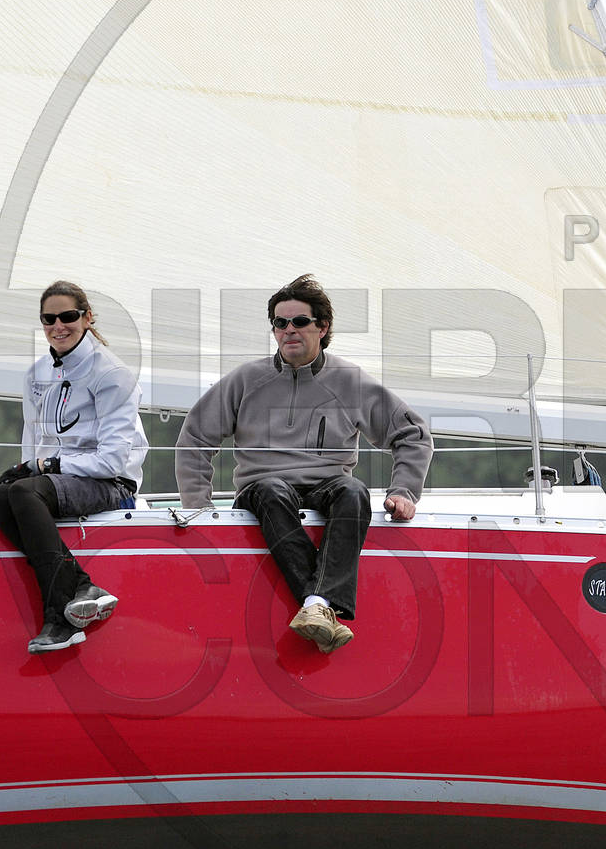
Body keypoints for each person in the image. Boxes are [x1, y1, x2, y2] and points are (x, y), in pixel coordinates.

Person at [176, 274, 432, 654]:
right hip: (262, 490)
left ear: (322, 327)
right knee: (272, 489)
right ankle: (321, 604)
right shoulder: (245, 380)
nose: (288, 331)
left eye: (299, 321)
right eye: (280, 323)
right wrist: (199, 509)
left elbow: (413, 434)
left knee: (354, 491)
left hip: (328, 485)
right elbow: (194, 439)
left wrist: (404, 491)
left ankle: (315, 604)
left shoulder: (350, 381)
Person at [0, 280, 147, 654]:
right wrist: (28, 467)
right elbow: (32, 438)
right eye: (49, 319)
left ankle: (59, 618)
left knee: (26, 493)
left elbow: (112, 461)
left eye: (68, 316)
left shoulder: (112, 374)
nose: (58, 326)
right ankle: (81, 586)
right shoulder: (36, 373)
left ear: (87, 317)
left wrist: (48, 465)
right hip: (56, 480)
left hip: (112, 483)